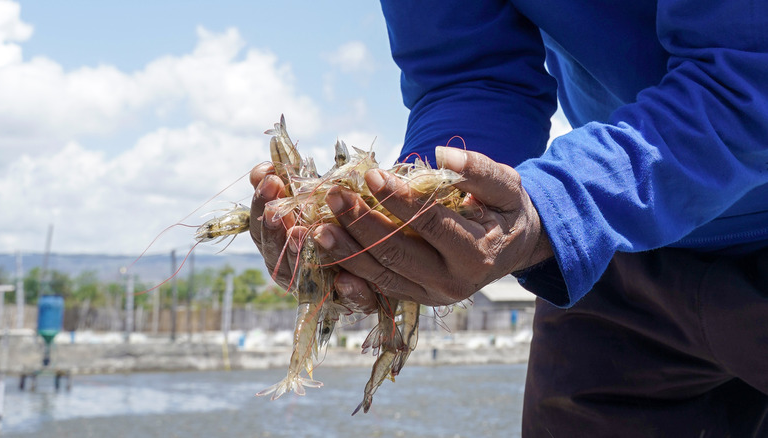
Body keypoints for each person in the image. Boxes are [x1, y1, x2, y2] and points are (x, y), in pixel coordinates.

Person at [249, 1, 768, 435]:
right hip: (619, 241)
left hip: (610, 204)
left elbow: (747, 71)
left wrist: (553, 206)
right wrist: (409, 215)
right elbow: (471, 75)